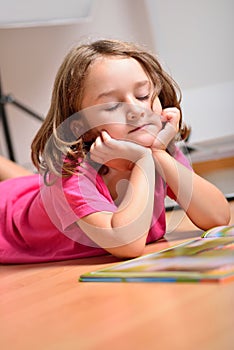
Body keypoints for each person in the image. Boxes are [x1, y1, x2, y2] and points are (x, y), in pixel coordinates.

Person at [0, 39, 230, 264]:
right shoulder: (69, 175)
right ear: (82, 127)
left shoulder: (159, 150)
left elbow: (218, 217)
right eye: (111, 106)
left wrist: (158, 154)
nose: (137, 109)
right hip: (6, 220)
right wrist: (142, 160)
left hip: (34, 195)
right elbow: (128, 244)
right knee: (25, 189)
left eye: (143, 95)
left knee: (29, 183)